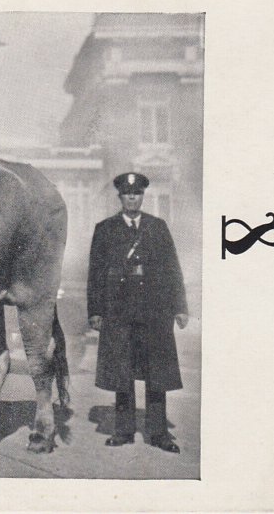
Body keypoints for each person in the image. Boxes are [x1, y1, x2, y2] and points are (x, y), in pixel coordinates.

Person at [87, 172, 188, 453]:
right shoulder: (105, 229)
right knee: (123, 372)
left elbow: (172, 269)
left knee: (157, 372)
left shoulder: (158, 227)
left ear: (142, 197)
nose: (132, 198)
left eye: (137, 194)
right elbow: (95, 274)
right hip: (119, 312)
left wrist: (180, 307)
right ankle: (123, 431)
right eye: (127, 194)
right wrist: (95, 311)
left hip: (155, 310)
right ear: (120, 197)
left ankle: (159, 434)